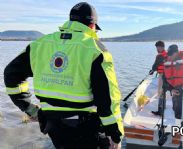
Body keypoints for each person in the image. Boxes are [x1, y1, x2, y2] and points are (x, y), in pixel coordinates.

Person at [4, 2, 123, 149]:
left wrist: (30, 109)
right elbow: (108, 98)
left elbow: (10, 75)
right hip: (87, 129)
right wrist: (115, 134)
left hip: (53, 127)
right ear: (92, 26)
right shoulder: (96, 49)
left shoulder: (39, 44)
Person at [152, 44, 183, 119]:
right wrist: (171, 89)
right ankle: (176, 120)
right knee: (175, 108)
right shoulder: (168, 62)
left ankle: (178, 126)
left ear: (177, 52)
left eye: (172, 54)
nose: (170, 56)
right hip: (175, 89)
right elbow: (165, 78)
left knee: (179, 110)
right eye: (169, 54)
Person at [149, 41, 167, 105]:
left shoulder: (160, 56)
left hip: (162, 75)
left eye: (157, 48)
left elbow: (155, 65)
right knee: (164, 89)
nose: (157, 49)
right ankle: (162, 100)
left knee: (160, 88)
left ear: (161, 47)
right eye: (156, 48)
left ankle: (160, 105)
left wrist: (152, 71)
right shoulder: (167, 54)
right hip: (168, 75)